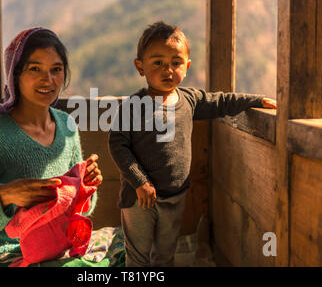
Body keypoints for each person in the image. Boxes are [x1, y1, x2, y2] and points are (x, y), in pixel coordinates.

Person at [108, 21, 277, 267]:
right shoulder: (133, 106)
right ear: (140, 66)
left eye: (175, 63)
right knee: (138, 257)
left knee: (165, 254)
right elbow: (118, 145)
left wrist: (257, 100)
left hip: (175, 197)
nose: (168, 70)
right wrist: (140, 181)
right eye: (158, 63)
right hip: (139, 198)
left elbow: (222, 102)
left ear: (186, 66)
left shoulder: (190, 100)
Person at [0, 27, 103, 266]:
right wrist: (5, 195)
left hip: (57, 246)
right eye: (34, 68)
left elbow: (80, 208)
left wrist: (86, 185)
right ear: (14, 75)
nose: (48, 80)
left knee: (124, 248)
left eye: (56, 70)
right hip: (5, 254)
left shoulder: (67, 126)